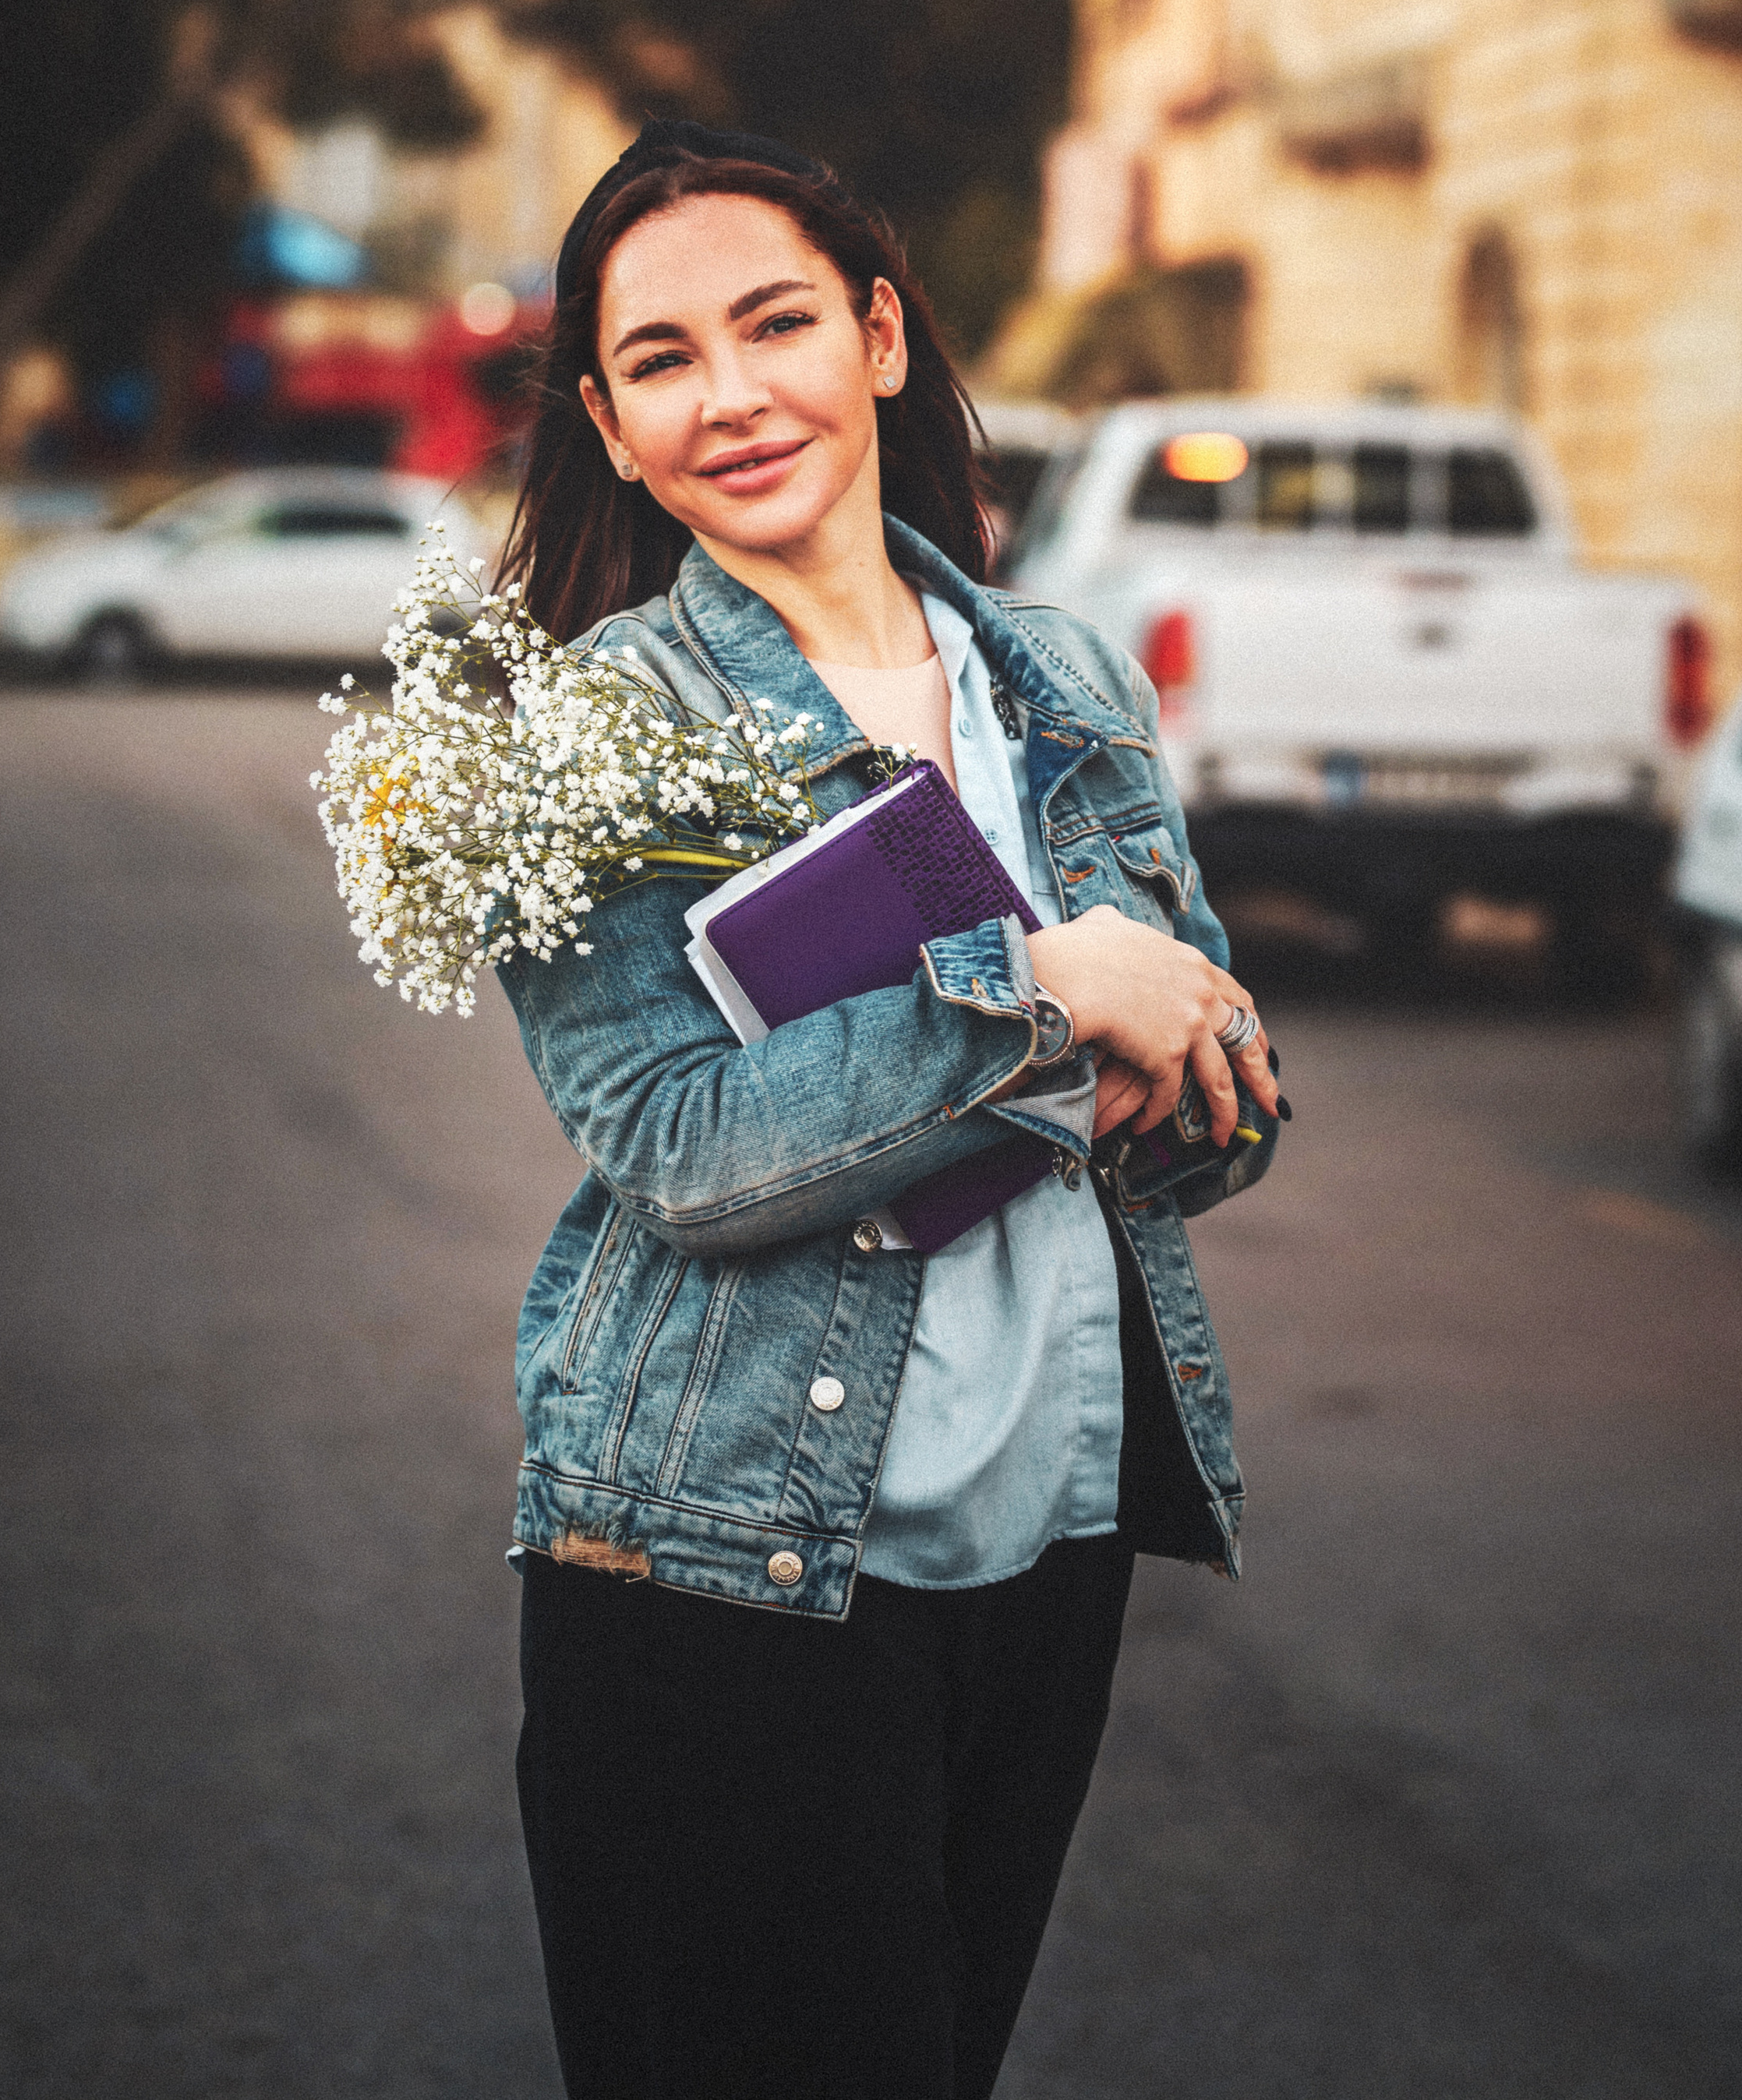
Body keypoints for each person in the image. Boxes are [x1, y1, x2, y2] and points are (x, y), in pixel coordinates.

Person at [496, 120, 1279, 2100]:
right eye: (661, 358)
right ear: (606, 424)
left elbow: (1211, 1121)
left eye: (775, 325)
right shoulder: (590, 735)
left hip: (1045, 1545)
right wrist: (1041, 999)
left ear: (878, 339)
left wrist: (1185, 1068)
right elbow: (678, 1146)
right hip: (726, 1562)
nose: (731, 393)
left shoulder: (1062, 681)